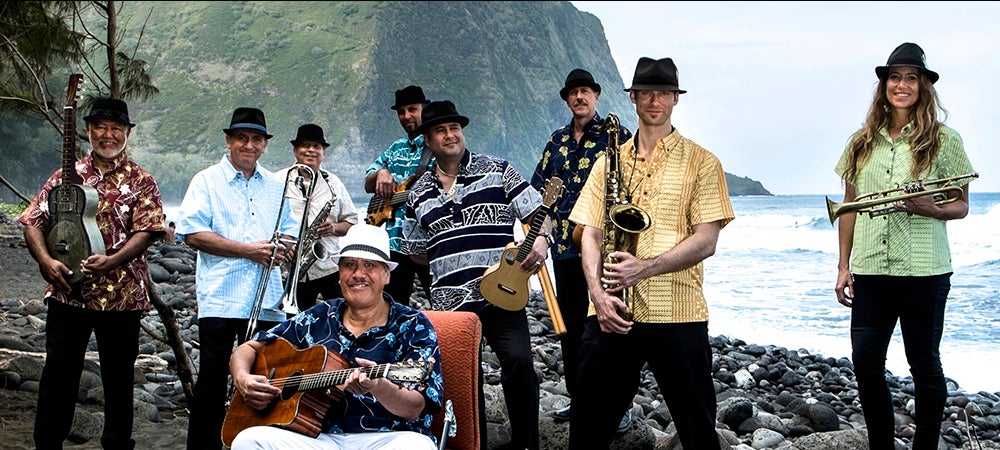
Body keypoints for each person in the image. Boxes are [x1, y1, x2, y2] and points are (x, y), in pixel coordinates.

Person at [567, 57, 735, 449]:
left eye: (664, 93)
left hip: (678, 311)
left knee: (697, 429)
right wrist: (597, 294)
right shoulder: (607, 161)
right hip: (610, 310)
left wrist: (643, 269)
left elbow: (707, 240)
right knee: (587, 428)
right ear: (633, 97)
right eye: (646, 92)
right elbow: (589, 234)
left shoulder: (703, 162)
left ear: (676, 99)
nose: (654, 100)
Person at [834, 42, 975, 450]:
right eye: (895, 77)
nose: (902, 85)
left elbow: (962, 205)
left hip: (924, 271)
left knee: (925, 367)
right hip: (872, 268)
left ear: (923, 86)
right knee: (865, 364)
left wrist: (931, 207)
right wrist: (843, 266)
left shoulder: (945, 140)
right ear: (884, 86)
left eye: (911, 78)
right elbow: (849, 208)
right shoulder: (861, 143)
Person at [401, 100, 552, 450]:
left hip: (502, 291)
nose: (450, 135)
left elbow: (539, 212)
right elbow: (415, 251)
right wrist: (452, 262)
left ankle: (526, 444)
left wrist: (541, 240)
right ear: (428, 140)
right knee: (460, 380)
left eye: (454, 128)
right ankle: (473, 444)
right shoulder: (417, 192)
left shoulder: (498, 169)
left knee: (519, 363)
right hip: (449, 305)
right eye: (440, 130)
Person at [19, 98, 166, 449]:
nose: (108, 134)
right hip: (68, 292)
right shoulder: (65, 177)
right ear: (87, 131)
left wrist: (114, 260)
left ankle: (116, 445)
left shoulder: (141, 180)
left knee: (118, 381)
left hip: (123, 297)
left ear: (128, 133)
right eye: (100, 127)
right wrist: (44, 261)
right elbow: (32, 221)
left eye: (116, 128)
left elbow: (147, 230)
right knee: (57, 378)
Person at [229, 224, 444, 450]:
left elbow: (415, 407)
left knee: (416, 446)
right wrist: (243, 378)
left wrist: (379, 385)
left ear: (386, 275)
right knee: (248, 440)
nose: (358, 274)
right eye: (349, 265)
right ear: (339, 275)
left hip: (385, 438)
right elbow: (247, 349)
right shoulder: (320, 316)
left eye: (369, 265)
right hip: (316, 438)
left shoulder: (413, 324)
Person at [174, 107, 300, 450]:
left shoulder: (277, 185)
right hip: (222, 297)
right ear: (229, 141)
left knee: (265, 382)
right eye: (242, 138)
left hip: (268, 299)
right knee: (212, 382)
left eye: (256, 139)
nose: (249, 145)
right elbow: (191, 233)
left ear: (264, 145)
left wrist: (284, 247)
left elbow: (289, 232)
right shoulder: (206, 180)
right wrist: (248, 251)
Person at [529, 68, 634, 430]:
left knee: (610, 327)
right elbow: (536, 191)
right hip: (562, 250)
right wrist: (538, 235)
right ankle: (580, 399)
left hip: (603, 251)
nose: (580, 97)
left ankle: (622, 406)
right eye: (573, 92)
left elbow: (632, 188)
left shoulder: (617, 135)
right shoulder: (555, 140)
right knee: (571, 330)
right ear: (567, 99)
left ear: (596, 96)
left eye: (586, 91)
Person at [276, 123, 358, 312]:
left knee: (341, 316)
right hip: (291, 269)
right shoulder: (278, 180)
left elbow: (352, 222)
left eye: (317, 147)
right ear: (296, 150)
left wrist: (334, 228)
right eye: (305, 145)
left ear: (323, 152)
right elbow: (265, 222)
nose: (311, 150)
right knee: (295, 324)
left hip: (329, 265)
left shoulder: (334, 183)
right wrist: (283, 243)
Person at [364, 85, 434, 305]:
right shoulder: (395, 149)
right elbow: (367, 183)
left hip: (429, 242)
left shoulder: (438, 145)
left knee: (444, 305)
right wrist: (381, 173)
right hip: (394, 243)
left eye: (412, 109)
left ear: (424, 109)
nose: (406, 116)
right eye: (401, 112)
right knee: (392, 308)